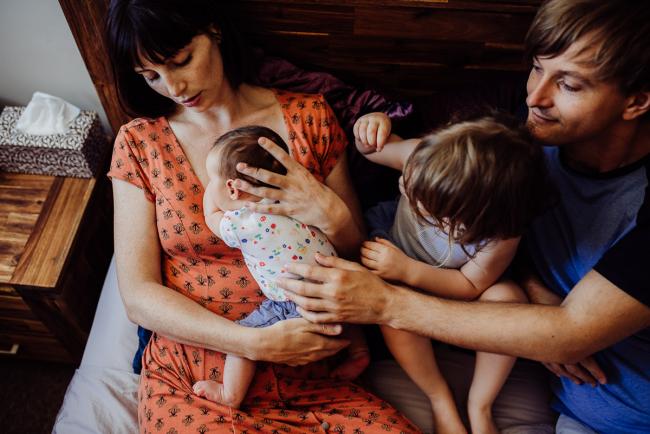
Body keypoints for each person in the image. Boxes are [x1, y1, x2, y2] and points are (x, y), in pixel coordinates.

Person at [247, 0, 650, 433]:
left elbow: (573, 333)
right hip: (566, 396)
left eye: (569, 85)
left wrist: (383, 302)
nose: (535, 96)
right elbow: (406, 140)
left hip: (627, 411)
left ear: (636, 101)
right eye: (537, 67)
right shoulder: (515, 121)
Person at [105, 0, 418, 432]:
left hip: (313, 368)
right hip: (200, 373)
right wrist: (254, 343)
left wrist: (328, 212)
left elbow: (355, 255)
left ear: (213, 30)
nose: (173, 86)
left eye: (181, 61)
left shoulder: (309, 118)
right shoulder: (140, 144)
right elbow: (138, 295)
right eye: (151, 76)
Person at [352, 113, 546, 434]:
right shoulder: (421, 161)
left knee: (508, 298)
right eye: (409, 185)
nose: (405, 186)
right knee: (388, 304)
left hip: (453, 289)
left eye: (421, 202)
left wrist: (410, 269)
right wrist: (370, 128)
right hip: (398, 272)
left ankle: (479, 405)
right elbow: (370, 150)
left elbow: (470, 284)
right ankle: (438, 397)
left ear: (460, 222)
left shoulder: (501, 233)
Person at [194, 125, 370, 407]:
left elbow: (212, 219)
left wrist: (209, 201)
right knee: (338, 301)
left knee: (243, 340)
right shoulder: (298, 201)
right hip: (338, 286)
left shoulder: (245, 221)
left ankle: (229, 394)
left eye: (213, 179)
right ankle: (359, 350)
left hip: (294, 302)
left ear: (232, 189)